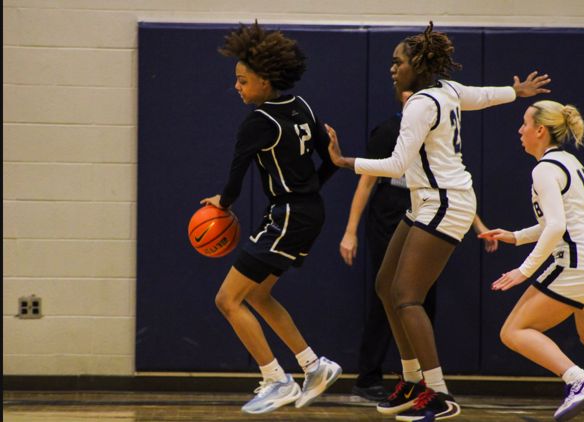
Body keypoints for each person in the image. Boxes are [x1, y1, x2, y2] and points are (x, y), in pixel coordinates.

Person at [326, 21, 551, 421]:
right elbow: (483, 95)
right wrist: (515, 92)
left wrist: (345, 161)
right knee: (385, 286)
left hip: (446, 202)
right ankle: (412, 381)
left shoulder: (420, 103)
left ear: (417, 65)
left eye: (398, 62)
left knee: (407, 296)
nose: (392, 68)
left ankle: (439, 393)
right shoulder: (446, 90)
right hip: (428, 200)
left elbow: (397, 164)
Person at [200, 21, 341, 415]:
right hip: (308, 211)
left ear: (265, 80)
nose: (237, 87)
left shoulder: (259, 121)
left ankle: (277, 379)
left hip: (288, 214)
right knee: (258, 295)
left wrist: (222, 204)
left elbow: (235, 178)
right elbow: (331, 161)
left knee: (227, 299)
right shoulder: (302, 106)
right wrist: (309, 190)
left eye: (243, 80)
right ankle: (314, 366)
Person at [478, 100, 584, 422]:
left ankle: (578, 380)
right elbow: (564, 220)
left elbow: (556, 227)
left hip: (582, 262)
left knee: (514, 331)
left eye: (524, 124)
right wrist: (516, 236)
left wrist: (524, 271)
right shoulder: (568, 161)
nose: (520, 130)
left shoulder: (544, 169)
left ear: (540, 130)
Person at [340, 91, 498, 402]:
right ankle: (381, 377)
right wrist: (350, 231)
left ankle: (428, 385)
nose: (395, 73)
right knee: (388, 291)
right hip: (392, 216)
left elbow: (451, 183)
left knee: (414, 299)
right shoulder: (389, 131)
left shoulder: (437, 127)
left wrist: (479, 225)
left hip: (430, 209)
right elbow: (368, 181)